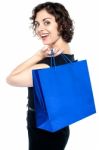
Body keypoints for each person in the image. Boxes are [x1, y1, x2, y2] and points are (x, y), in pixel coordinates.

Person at [6, 2, 75, 150]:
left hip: (43, 131)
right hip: (60, 127)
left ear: (62, 25)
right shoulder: (68, 58)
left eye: (47, 22)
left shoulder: (46, 67)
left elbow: (11, 78)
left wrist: (38, 55)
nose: (39, 29)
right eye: (37, 24)